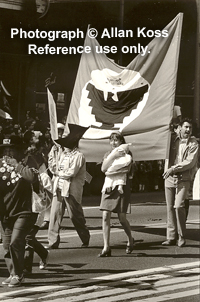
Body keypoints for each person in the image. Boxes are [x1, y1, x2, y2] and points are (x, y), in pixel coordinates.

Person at [0, 135, 38, 287]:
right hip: (6, 211)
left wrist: (17, 165)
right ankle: (12, 273)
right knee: (7, 244)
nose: (8, 153)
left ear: (19, 151)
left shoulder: (28, 162)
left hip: (25, 210)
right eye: (5, 150)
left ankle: (19, 275)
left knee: (16, 241)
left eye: (11, 150)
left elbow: (32, 178)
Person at [46, 123, 90, 249]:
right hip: (59, 188)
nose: (63, 146)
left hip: (71, 190)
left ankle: (85, 237)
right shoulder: (61, 153)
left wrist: (59, 172)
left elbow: (71, 172)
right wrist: (54, 158)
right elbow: (53, 166)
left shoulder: (79, 156)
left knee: (75, 216)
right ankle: (52, 242)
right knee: (55, 215)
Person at [162, 118, 199, 247]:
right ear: (180, 127)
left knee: (178, 206)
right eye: (186, 127)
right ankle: (171, 237)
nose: (188, 130)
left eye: (190, 128)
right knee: (170, 208)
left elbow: (189, 162)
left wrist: (173, 169)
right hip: (169, 177)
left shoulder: (193, 144)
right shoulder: (172, 139)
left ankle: (181, 236)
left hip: (183, 178)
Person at [98, 131, 134, 257]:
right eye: (111, 140)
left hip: (121, 186)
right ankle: (106, 246)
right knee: (105, 216)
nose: (113, 143)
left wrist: (110, 170)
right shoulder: (108, 154)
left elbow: (125, 169)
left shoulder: (127, 153)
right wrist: (112, 157)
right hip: (108, 186)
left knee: (122, 218)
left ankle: (130, 238)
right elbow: (103, 169)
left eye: (116, 140)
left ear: (121, 142)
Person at [22, 130, 50, 274]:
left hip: (36, 202)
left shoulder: (38, 162)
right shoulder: (19, 162)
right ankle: (42, 254)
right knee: (25, 237)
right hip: (22, 203)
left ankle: (27, 267)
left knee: (28, 236)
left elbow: (44, 181)